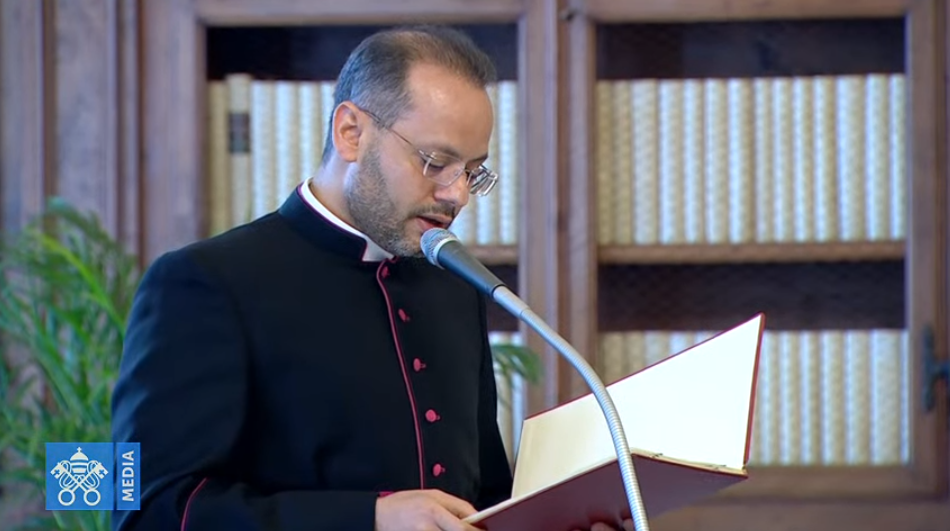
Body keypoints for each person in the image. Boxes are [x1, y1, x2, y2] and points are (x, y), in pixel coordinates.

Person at [111, 25, 632, 531]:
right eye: (435, 162)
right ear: (351, 133)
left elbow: (484, 496)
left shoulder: (454, 285)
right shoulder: (202, 282)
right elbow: (141, 509)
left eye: (472, 171)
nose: (457, 195)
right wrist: (371, 518)